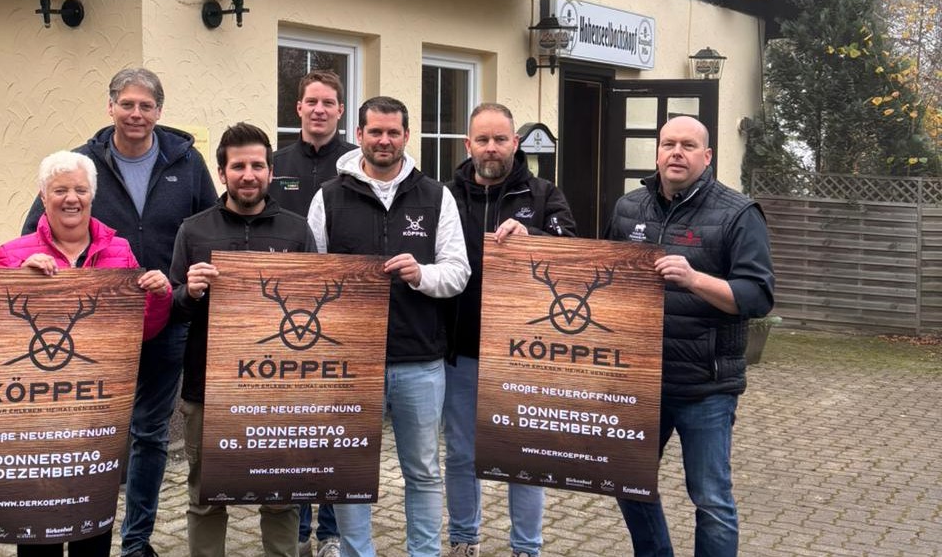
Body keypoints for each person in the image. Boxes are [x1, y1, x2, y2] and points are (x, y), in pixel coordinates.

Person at [23, 67, 218, 557]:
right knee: (88, 431)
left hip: (165, 316)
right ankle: (75, 525)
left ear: (159, 112)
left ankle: (136, 541)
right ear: (110, 106)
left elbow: (209, 228)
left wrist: (187, 288)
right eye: (126, 104)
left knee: (150, 435)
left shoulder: (187, 161)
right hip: (91, 331)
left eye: (146, 106)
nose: (136, 114)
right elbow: (34, 230)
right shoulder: (81, 164)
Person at [307, 96, 470, 557]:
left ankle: (424, 553)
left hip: (419, 359)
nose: (384, 140)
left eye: (393, 132)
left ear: (406, 136)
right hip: (350, 362)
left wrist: (422, 275)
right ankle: (358, 552)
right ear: (358, 134)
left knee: (422, 471)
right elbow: (313, 277)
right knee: (350, 470)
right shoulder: (330, 197)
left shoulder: (436, 196)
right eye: (375, 131)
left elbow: (458, 272)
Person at [606, 115, 775, 557]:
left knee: (711, 500)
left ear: (707, 156)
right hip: (639, 382)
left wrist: (695, 279)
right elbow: (600, 276)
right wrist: (535, 241)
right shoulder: (629, 208)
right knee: (627, 482)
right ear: (658, 152)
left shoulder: (738, 213)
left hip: (706, 385)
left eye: (687, 145)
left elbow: (757, 296)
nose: (675, 152)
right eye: (668, 144)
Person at [0, 150, 175, 557]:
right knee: (37, 532)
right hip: (34, 417)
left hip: (94, 416)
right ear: (43, 196)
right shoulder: (12, 255)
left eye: (80, 189)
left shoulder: (121, 252)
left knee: (91, 530)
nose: (70, 198)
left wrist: (160, 297)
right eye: (60, 190)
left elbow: (142, 330)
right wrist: (16, 281)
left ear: (93, 196)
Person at [170, 123, 314, 557]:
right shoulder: (193, 231)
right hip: (207, 388)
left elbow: (316, 312)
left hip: (279, 389)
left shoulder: (297, 231)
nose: (247, 174)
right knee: (205, 497)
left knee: (281, 495)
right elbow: (173, 307)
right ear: (221, 172)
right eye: (238, 166)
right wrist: (189, 291)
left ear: (270, 172)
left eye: (256, 165)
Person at [443, 103, 577, 557]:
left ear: (515, 143)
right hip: (461, 349)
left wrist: (534, 239)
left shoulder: (543, 195)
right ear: (468, 145)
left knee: (525, 454)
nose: (492, 148)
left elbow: (573, 257)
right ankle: (464, 538)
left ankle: (526, 547)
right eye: (482, 139)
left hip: (524, 353)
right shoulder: (446, 196)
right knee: (461, 454)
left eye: (501, 139)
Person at [272, 70, 355, 557]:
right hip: (285, 313)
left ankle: (329, 531)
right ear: (298, 108)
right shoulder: (276, 162)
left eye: (328, 102)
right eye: (311, 102)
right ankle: (296, 526)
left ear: (340, 112)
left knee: (331, 424)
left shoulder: (356, 162)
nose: (319, 109)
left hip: (339, 309)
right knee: (293, 420)